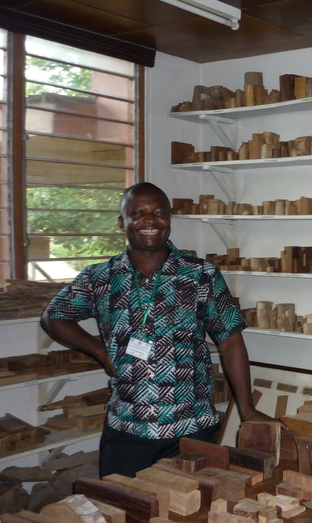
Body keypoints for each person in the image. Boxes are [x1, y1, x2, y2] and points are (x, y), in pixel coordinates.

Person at [41, 182, 271, 477]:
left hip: (192, 428)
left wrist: (247, 409)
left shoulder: (200, 275)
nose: (150, 220)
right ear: (122, 222)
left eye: (159, 212)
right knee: (124, 510)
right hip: (127, 427)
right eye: (138, 212)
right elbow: (54, 317)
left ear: (169, 221)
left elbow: (230, 341)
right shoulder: (100, 277)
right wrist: (101, 352)